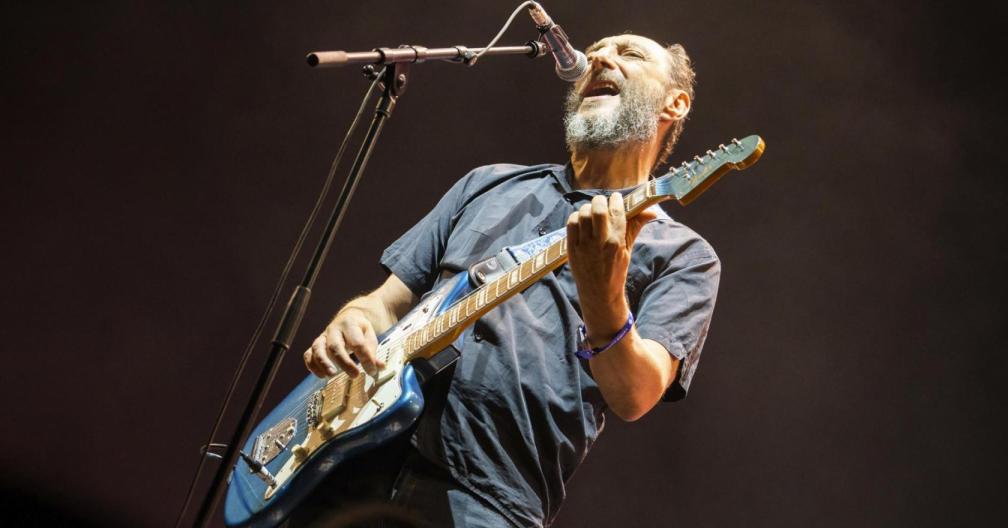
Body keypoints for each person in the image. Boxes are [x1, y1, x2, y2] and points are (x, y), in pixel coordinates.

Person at [296, 33, 720, 528]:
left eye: (628, 54)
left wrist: (603, 297)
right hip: (350, 456)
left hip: (486, 499)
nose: (599, 57)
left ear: (676, 102)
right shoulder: (487, 183)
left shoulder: (684, 254)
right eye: (598, 50)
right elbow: (385, 303)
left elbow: (635, 396)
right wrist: (351, 318)